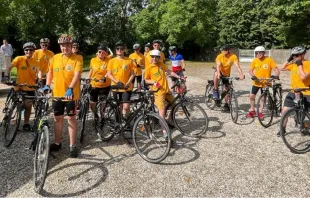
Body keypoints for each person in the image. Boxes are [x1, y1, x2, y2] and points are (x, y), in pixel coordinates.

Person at [40, 34, 82, 158]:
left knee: (71, 119)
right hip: (57, 94)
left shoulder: (77, 58)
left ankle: (72, 145)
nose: (65, 48)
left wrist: (70, 88)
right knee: (57, 118)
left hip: (71, 95)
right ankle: (57, 143)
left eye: (68, 45)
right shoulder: (55, 58)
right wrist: (47, 84)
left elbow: (77, 74)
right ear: (60, 46)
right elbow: (50, 72)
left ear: (71, 46)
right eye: (63, 46)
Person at [3, 42, 41, 131]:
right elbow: (9, 67)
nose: (29, 51)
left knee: (28, 106)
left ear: (33, 51)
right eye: (26, 50)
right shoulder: (19, 59)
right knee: (16, 104)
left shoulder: (36, 62)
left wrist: (39, 80)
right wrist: (5, 76)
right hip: (19, 87)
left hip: (30, 87)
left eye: (31, 50)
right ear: (24, 51)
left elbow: (39, 72)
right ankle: (9, 116)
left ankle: (26, 123)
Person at [144, 49, 183, 129]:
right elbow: (146, 80)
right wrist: (154, 82)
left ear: (159, 58)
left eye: (157, 57)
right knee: (162, 111)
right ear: (151, 57)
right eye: (153, 57)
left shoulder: (161, 64)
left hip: (166, 90)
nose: (155, 59)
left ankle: (166, 120)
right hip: (158, 92)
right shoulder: (149, 67)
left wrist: (179, 77)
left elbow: (169, 71)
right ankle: (165, 132)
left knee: (175, 106)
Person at [278, 46, 310, 136]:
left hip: (306, 93)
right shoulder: (293, 65)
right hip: (293, 92)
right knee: (284, 111)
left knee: (304, 113)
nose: (295, 57)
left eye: (296, 55)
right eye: (293, 55)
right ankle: (282, 129)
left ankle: (303, 126)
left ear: (303, 55)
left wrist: (300, 65)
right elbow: (280, 68)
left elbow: (303, 77)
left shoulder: (308, 64)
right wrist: (289, 59)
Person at [247, 46, 280, 119]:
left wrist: (276, 76)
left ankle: (260, 112)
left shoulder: (269, 60)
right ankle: (252, 110)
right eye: (256, 53)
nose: (258, 54)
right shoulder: (255, 60)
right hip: (257, 82)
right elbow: (250, 70)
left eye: (259, 53)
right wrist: (253, 76)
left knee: (263, 98)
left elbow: (276, 70)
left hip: (266, 83)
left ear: (263, 53)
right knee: (252, 96)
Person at [107, 41, 135, 119]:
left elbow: (133, 74)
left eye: (121, 48)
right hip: (116, 86)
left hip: (126, 87)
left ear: (124, 50)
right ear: (115, 50)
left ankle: (127, 120)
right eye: (118, 48)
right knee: (118, 106)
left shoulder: (129, 60)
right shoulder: (111, 61)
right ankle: (118, 122)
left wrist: (128, 82)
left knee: (126, 106)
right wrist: (117, 82)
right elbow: (109, 74)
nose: (120, 50)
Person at [213, 44, 244, 111]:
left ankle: (226, 104)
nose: (223, 52)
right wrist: (218, 73)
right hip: (220, 71)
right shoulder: (220, 56)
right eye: (222, 50)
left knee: (227, 89)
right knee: (216, 74)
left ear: (228, 50)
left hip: (226, 74)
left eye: (224, 50)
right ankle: (215, 90)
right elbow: (218, 65)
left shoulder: (233, 56)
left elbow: (237, 66)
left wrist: (241, 74)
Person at [88, 45, 111, 113]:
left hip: (104, 85)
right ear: (97, 52)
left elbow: (109, 71)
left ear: (106, 54)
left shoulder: (109, 60)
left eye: (103, 52)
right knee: (92, 103)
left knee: (103, 103)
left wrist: (104, 77)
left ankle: (102, 117)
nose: (101, 53)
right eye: (100, 52)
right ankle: (96, 116)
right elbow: (91, 70)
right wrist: (88, 78)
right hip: (94, 84)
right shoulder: (93, 60)